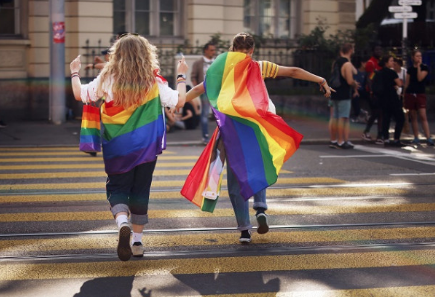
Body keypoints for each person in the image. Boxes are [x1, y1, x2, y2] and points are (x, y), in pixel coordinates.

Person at [184, 32, 333, 244]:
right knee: (258, 168)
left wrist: (178, 102)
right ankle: (261, 209)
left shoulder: (222, 71)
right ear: (251, 51)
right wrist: (320, 79)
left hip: (231, 132)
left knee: (235, 183)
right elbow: (292, 71)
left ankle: (244, 230)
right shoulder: (259, 67)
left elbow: (199, 89)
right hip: (255, 129)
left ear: (232, 50)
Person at [69, 34, 188, 260]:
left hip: (117, 147)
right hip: (145, 147)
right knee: (141, 190)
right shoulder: (154, 81)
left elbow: (80, 94)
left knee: (117, 187)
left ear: (117, 54)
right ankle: (137, 242)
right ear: (146, 55)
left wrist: (75, 71)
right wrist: (181, 75)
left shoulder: (107, 78)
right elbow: (179, 101)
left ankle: (122, 222)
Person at [329, 43, 357, 149]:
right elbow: (349, 80)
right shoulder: (347, 64)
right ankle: (341, 141)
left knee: (334, 117)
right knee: (343, 118)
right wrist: (355, 84)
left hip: (334, 92)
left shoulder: (336, 62)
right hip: (344, 94)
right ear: (350, 50)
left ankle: (333, 140)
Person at [404, 49, 434, 146]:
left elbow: (420, 78)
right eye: (417, 56)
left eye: (420, 56)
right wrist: (404, 94)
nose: (419, 58)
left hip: (420, 93)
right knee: (413, 116)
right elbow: (407, 83)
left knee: (423, 115)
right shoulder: (409, 69)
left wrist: (418, 67)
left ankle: (428, 137)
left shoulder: (425, 68)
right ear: (413, 57)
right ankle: (416, 137)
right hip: (411, 93)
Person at [191, 42, 217, 144]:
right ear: (205, 50)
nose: (213, 52)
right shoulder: (198, 63)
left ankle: (221, 137)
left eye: (214, 50)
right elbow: (193, 76)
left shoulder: (217, 62)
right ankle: (205, 137)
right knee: (205, 114)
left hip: (217, 91)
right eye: (211, 50)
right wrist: (197, 90)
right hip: (205, 91)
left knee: (220, 115)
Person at [377, 54, 405, 146]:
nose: (393, 63)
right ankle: (396, 139)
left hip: (383, 98)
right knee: (400, 118)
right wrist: (397, 85)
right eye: (391, 61)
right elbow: (399, 83)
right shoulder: (392, 73)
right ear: (386, 63)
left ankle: (386, 139)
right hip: (392, 98)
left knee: (386, 119)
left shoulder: (379, 73)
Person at [362, 44, 384, 143]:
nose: (379, 51)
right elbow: (369, 78)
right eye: (377, 50)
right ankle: (370, 132)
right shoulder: (371, 63)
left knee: (379, 114)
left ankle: (379, 134)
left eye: (380, 49)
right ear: (373, 51)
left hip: (379, 91)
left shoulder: (380, 62)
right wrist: (371, 92)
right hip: (372, 92)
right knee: (376, 112)